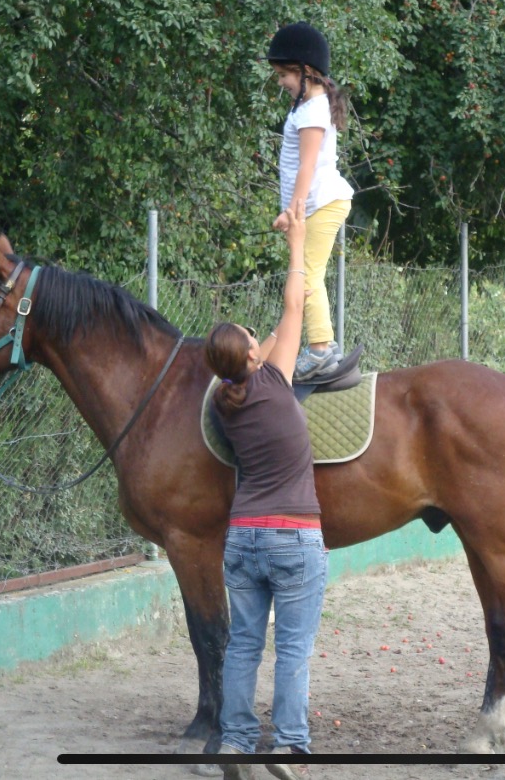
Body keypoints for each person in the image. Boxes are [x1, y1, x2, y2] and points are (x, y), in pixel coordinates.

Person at [205, 206, 327, 780]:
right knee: (294, 650)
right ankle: (288, 748)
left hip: (242, 537)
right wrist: (299, 241)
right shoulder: (277, 381)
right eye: (254, 340)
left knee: (244, 647)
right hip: (294, 537)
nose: (260, 337)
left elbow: (278, 330)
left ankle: (233, 744)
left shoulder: (225, 400)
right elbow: (294, 306)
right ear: (253, 358)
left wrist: (266, 339)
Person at [266, 21, 354, 382]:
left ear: (306, 72)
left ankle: (321, 349)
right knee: (305, 275)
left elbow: (307, 164)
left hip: (319, 204)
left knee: (307, 276)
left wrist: (293, 211)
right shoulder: (308, 106)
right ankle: (318, 346)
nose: (281, 82)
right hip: (317, 203)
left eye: (284, 75)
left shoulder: (314, 110)